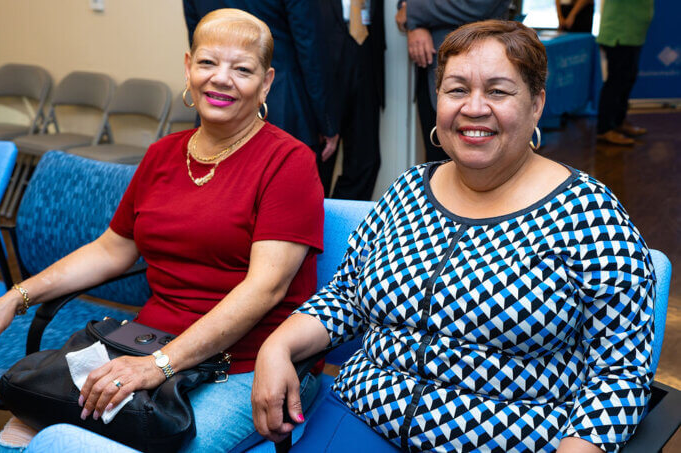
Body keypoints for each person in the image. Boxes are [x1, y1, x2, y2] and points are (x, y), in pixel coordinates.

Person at [252, 20, 655, 452]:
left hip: (500, 439)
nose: (474, 108)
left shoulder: (590, 216)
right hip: (360, 415)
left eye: (498, 91)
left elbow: (619, 371)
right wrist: (276, 346)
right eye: (457, 89)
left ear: (537, 104)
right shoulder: (408, 191)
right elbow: (347, 296)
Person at [0, 9, 324, 453]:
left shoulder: (288, 162)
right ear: (188, 68)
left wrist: (159, 366)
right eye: (207, 63)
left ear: (267, 82)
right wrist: (15, 296)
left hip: (244, 365)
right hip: (143, 345)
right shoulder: (163, 154)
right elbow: (110, 250)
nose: (221, 79)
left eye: (242, 69)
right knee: (22, 438)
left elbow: (265, 289)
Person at [183, 0, 340, 194]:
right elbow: (310, 48)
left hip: (216, 108)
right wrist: (326, 122)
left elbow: (197, 39)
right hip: (283, 105)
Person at [395, 0, 509, 162]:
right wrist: (415, 25)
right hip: (429, 68)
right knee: (438, 159)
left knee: (478, 163)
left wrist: (413, 12)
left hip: (477, 65)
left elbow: (478, 5)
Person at [316, 0, 385, 201]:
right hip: (322, 51)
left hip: (366, 48)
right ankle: (313, 222)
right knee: (321, 155)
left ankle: (342, 225)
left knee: (366, 160)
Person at [596, 0, 654, 146]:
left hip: (633, 35)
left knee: (627, 79)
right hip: (619, 33)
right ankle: (605, 129)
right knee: (616, 82)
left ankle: (618, 121)